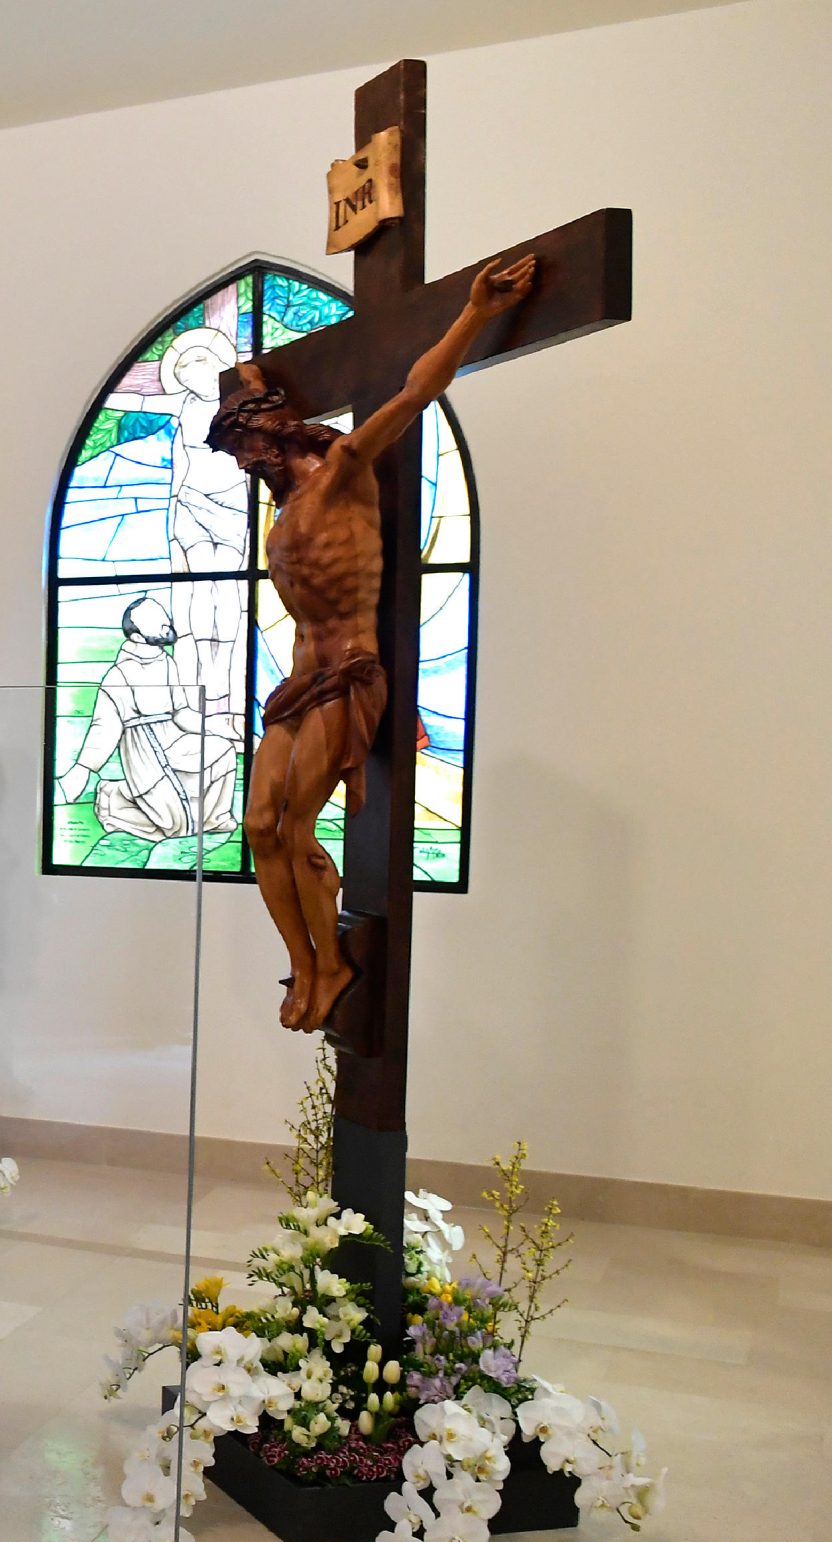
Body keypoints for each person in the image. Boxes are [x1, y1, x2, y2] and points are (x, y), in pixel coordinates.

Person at [207, 254, 534, 1031]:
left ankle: (332, 963)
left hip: (349, 671)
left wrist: (475, 312)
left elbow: (417, 389)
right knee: (257, 825)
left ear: (272, 435)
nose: (245, 467)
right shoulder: (281, 520)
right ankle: (307, 962)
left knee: (295, 824)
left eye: (244, 450)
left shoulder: (346, 471)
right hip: (296, 682)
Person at [58, 595, 244, 846]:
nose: (166, 624)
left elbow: (182, 713)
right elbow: (104, 728)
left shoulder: (167, 662)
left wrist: (220, 728)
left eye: (163, 618)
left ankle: (214, 819)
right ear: (135, 636)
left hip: (176, 740)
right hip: (145, 753)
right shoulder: (119, 675)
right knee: (175, 826)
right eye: (156, 622)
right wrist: (83, 770)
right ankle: (113, 799)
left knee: (222, 751)